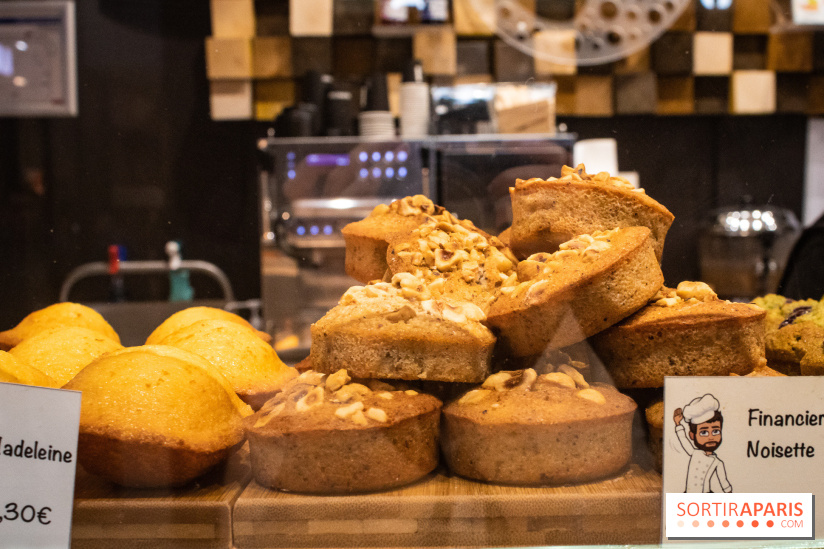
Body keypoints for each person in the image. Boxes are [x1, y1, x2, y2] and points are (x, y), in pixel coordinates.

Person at [673, 394, 732, 493]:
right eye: (704, 432)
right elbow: (684, 441)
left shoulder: (717, 462)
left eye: (716, 431)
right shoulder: (695, 453)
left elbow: (724, 482)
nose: (710, 437)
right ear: (692, 435)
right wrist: (678, 425)